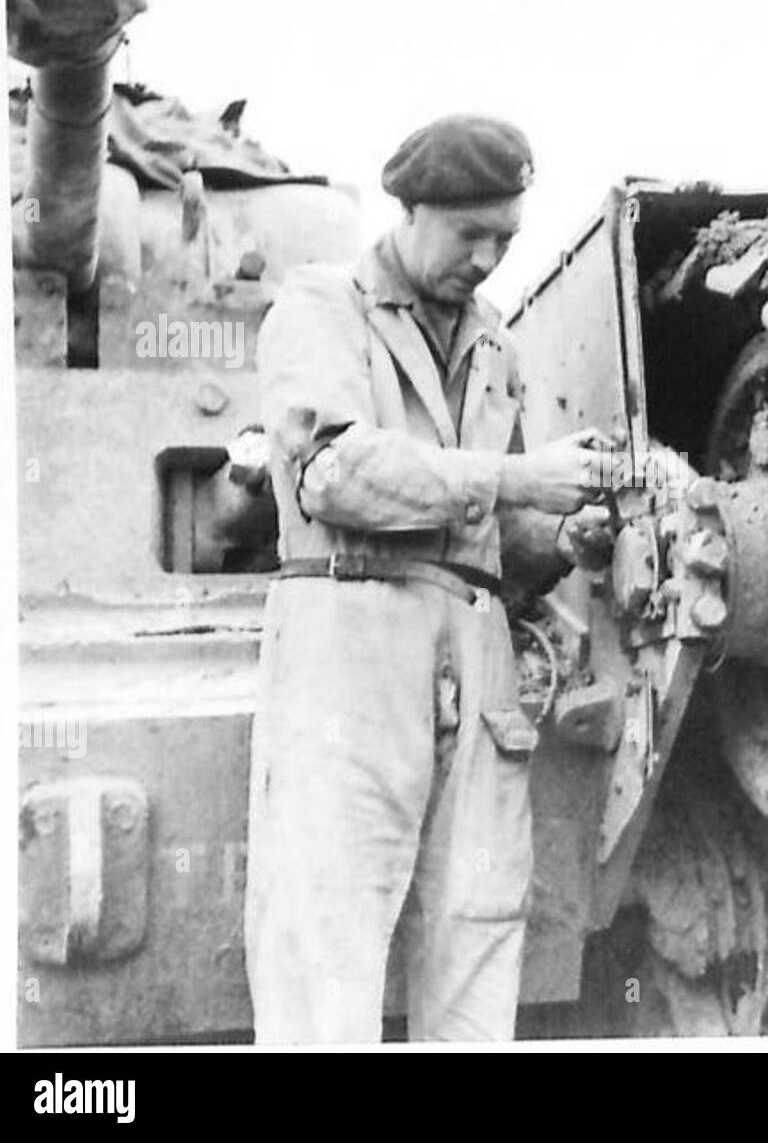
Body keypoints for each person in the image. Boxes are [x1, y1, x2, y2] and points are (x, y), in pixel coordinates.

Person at [244, 114, 610, 1042]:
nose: (487, 258)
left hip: (475, 664)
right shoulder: (322, 306)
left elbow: (496, 547)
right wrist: (522, 479)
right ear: (409, 208)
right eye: (468, 233)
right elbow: (333, 474)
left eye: (505, 239)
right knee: (328, 946)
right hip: (349, 644)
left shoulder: (495, 347)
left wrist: (571, 534)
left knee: (479, 940)